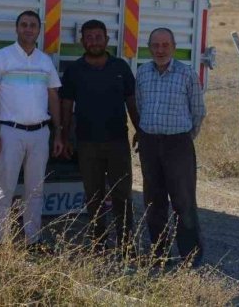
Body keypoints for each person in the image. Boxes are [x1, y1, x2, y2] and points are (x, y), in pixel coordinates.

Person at [0, 10, 64, 247]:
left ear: (39, 30)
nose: (28, 29)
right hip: (9, 132)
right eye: (24, 25)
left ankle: (32, 240)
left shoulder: (45, 61)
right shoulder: (1, 57)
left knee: (35, 190)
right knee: (5, 188)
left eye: (33, 25)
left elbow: (54, 97)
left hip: (40, 133)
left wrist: (58, 132)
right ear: (17, 29)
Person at [60, 19, 138, 253]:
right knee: (93, 196)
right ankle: (98, 242)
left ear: (107, 39)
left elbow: (131, 101)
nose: (94, 41)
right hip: (86, 143)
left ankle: (126, 244)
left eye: (98, 37)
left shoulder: (120, 67)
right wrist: (64, 136)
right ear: (82, 41)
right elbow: (66, 105)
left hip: (117, 142)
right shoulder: (74, 70)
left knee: (122, 195)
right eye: (89, 37)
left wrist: (140, 130)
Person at [135, 27, 206, 266]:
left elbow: (197, 111)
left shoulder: (187, 75)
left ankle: (190, 257)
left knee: (183, 202)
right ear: (149, 48)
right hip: (149, 144)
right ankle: (158, 254)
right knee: (153, 202)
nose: (160, 50)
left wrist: (183, 139)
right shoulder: (143, 73)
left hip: (178, 145)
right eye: (155, 45)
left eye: (165, 45)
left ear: (174, 47)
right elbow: (139, 105)